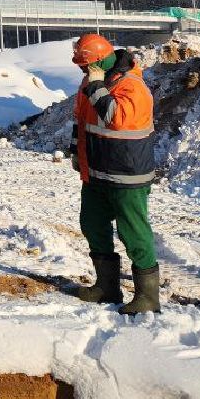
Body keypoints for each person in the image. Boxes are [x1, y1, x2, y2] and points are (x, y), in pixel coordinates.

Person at [69, 32, 160, 314]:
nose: (83, 72)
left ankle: (147, 298)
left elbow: (116, 119)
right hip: (97, 173)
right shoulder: (91, 82)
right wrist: (77, 153)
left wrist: (96, 86)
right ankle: (106, 287)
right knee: (92, 224)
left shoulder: (132, 86)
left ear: (97, 62)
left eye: (86, 67)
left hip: (126, 175)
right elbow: (81, 120)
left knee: (133, 233)